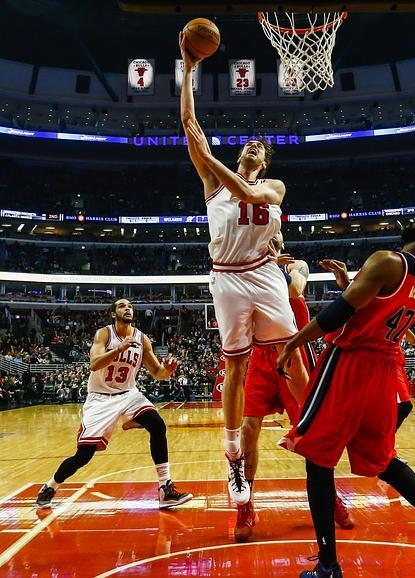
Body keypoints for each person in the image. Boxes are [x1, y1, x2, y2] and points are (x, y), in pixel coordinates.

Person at [277, 214, 415, 578]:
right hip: (383, 373)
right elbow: (375, 304)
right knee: (384, 459)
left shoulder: (388, 260)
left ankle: (328, 567)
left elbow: (341, 312)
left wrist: (293, 342)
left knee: (317, 457)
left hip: (350, 362)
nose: (413, 219)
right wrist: (347, 281)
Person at [179, 34, 308, 506]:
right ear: (239, 156)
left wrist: (212, 157)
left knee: (290, 352)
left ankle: (310, 424)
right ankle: (233, 455)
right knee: (234, 364)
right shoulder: (212, 182)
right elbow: (190, 123)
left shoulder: (274, 185)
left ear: (264, 161)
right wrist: (188, 69)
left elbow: (254, 197)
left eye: (260, 145)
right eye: (249, 144)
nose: (254, 145)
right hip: (228, 276)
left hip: (264, 273)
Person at [235, 235, 353, 542]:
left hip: (294, 352)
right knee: (248, 429)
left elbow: (294, 289)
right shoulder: (247, 269)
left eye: (273, 238)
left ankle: (330, 498)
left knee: (310, 433)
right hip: (260, 357)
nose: (268, 241)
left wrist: (275, 270)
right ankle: (245, 505)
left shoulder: (295, 265)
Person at [36, 299, 192, 510]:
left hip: (128, 394)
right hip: (100, 399)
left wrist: (168, 371)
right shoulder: (104, 334)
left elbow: (158, 373)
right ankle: (50, 486)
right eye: (121, 306)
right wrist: (119, 349)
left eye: (130, 306)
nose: (127, 308)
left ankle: (165, 488)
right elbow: (94, 364)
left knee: (157, 424)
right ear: (113, 313)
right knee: (83, 455)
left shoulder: (142, 339)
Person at [322, 258, 415, 430]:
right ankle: (377, 445)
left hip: (392, 361)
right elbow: (365, 301)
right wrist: (347, 284)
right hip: (378, 357)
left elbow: (414, 339)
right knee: (397, 406)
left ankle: (381, 447)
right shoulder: (386, 304)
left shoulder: (400, 314)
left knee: (397, 407)